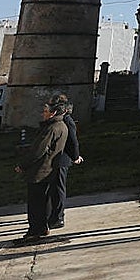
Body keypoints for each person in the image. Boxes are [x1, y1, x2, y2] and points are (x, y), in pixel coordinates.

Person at [14, 101, 69, 242]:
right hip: (48, 169)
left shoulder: (52, 128)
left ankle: (36, 230)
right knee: (43, 201)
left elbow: (39, 150)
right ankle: (42, 227)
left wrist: (23, 165)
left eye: (45, 111)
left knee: (35, 203)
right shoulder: (62, 126)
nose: (43, 114)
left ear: (53, 112)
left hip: (40, 170)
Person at [46, 95, 83, 230]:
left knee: (58, 189)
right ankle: (53, 215)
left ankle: (58, 217)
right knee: (54, 189)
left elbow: (73, 141)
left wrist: (75, 156)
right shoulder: (62, 120)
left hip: (62, 159)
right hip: (57, 159)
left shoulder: (67, 120)